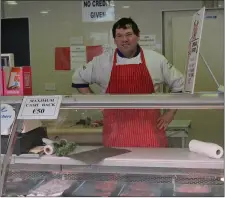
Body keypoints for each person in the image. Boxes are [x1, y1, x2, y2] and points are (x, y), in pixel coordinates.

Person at [72, 17, 184, 148]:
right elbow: (78, 79)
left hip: (150, 134)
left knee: (151, 167)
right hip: (115, 135)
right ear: (114, 40)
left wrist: (170, 113)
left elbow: (180, 84)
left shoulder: (155, 59)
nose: (124, 40)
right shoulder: (102, 62)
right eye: (119, 36)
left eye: (129, 34)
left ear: (138, 35)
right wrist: (98, 105)